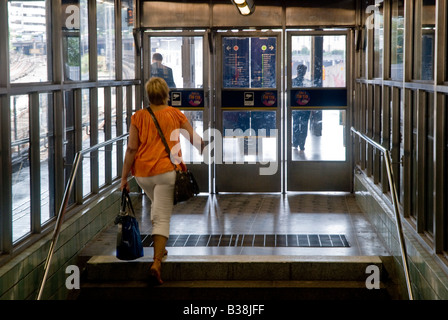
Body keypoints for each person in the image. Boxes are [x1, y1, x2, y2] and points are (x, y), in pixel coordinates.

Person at [120, 77, 204, 284]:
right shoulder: (174, 114)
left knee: (158, 208)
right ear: (166, 94)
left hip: (142, 174)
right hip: (166, 172)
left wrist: (124, 177)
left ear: (148, 95)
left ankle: (161, 247)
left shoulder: (138, 117)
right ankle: (157, 262)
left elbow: (131, 148)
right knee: (162, 216)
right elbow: (194, 139)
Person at [292, 64, 311, 151]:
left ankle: (295, 143)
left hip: (295, 107)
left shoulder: (292, 82)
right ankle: (302, 144)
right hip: (305, 108)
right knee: (304, 125)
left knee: (295, 124)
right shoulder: (308, 82)